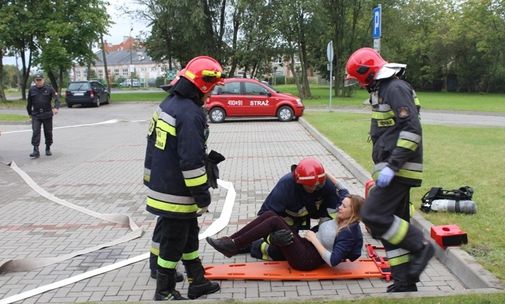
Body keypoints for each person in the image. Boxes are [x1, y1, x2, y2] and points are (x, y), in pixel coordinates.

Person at [345, 47, 434, 292]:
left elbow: (411, 130)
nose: (359, 83)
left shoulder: (395, 89)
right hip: (393, 168)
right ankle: (405, 281)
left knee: (373, 216)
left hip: (400, 169)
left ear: (366, 73)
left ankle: (422, 247)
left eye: (358, 78)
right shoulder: (383, 89)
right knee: (393, 225)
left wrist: (392, 167)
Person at [144, 56, 224, 301]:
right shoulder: (190, 114)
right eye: (212, 88)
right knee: (173, 242)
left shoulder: (170, 103)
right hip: (176, 192)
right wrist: (203, 195)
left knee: (189, 236)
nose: (212, 94)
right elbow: (190, 162)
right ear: (203, 85)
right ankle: (165, 291)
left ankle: (197, 281)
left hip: (165, 185)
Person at [207, 194, 364, 271]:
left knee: (274, 221)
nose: (339, 207)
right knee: (270, 215)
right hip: (305, 246)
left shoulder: (348, 232)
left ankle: (233, 245)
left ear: (353, 212)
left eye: (344, 206)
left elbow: (333, 261)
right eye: (341, 204)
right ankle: (231, 242)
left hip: (306, 260)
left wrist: (314, 239)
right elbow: (340, 186)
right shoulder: (343, 219)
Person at [248, 157, 346, 260]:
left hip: (317, 224)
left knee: (317, 247)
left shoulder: (326, 186)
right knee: (285, 252)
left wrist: (331, 238)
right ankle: (256, 246)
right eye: (310, 186)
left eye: (318, 185)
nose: (314, 188)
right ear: (299, 182)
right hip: (287, 223)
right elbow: (264, 216)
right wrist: (272, 238)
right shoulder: (285, 186)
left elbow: (335, 215)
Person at [26, 73, 60, 158]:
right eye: (37, 80)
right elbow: (29, 103)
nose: (39, 82)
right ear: (35, 81)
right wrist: (30, 114)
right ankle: (35, 150)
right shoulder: (32, 90)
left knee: (48, 132)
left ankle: (48, 147)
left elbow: (56, 99)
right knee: (35, 132)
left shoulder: (49, 88)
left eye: (40, 80)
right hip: (36, 114)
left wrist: (56, 107)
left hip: (47, 114)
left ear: (43, 80)